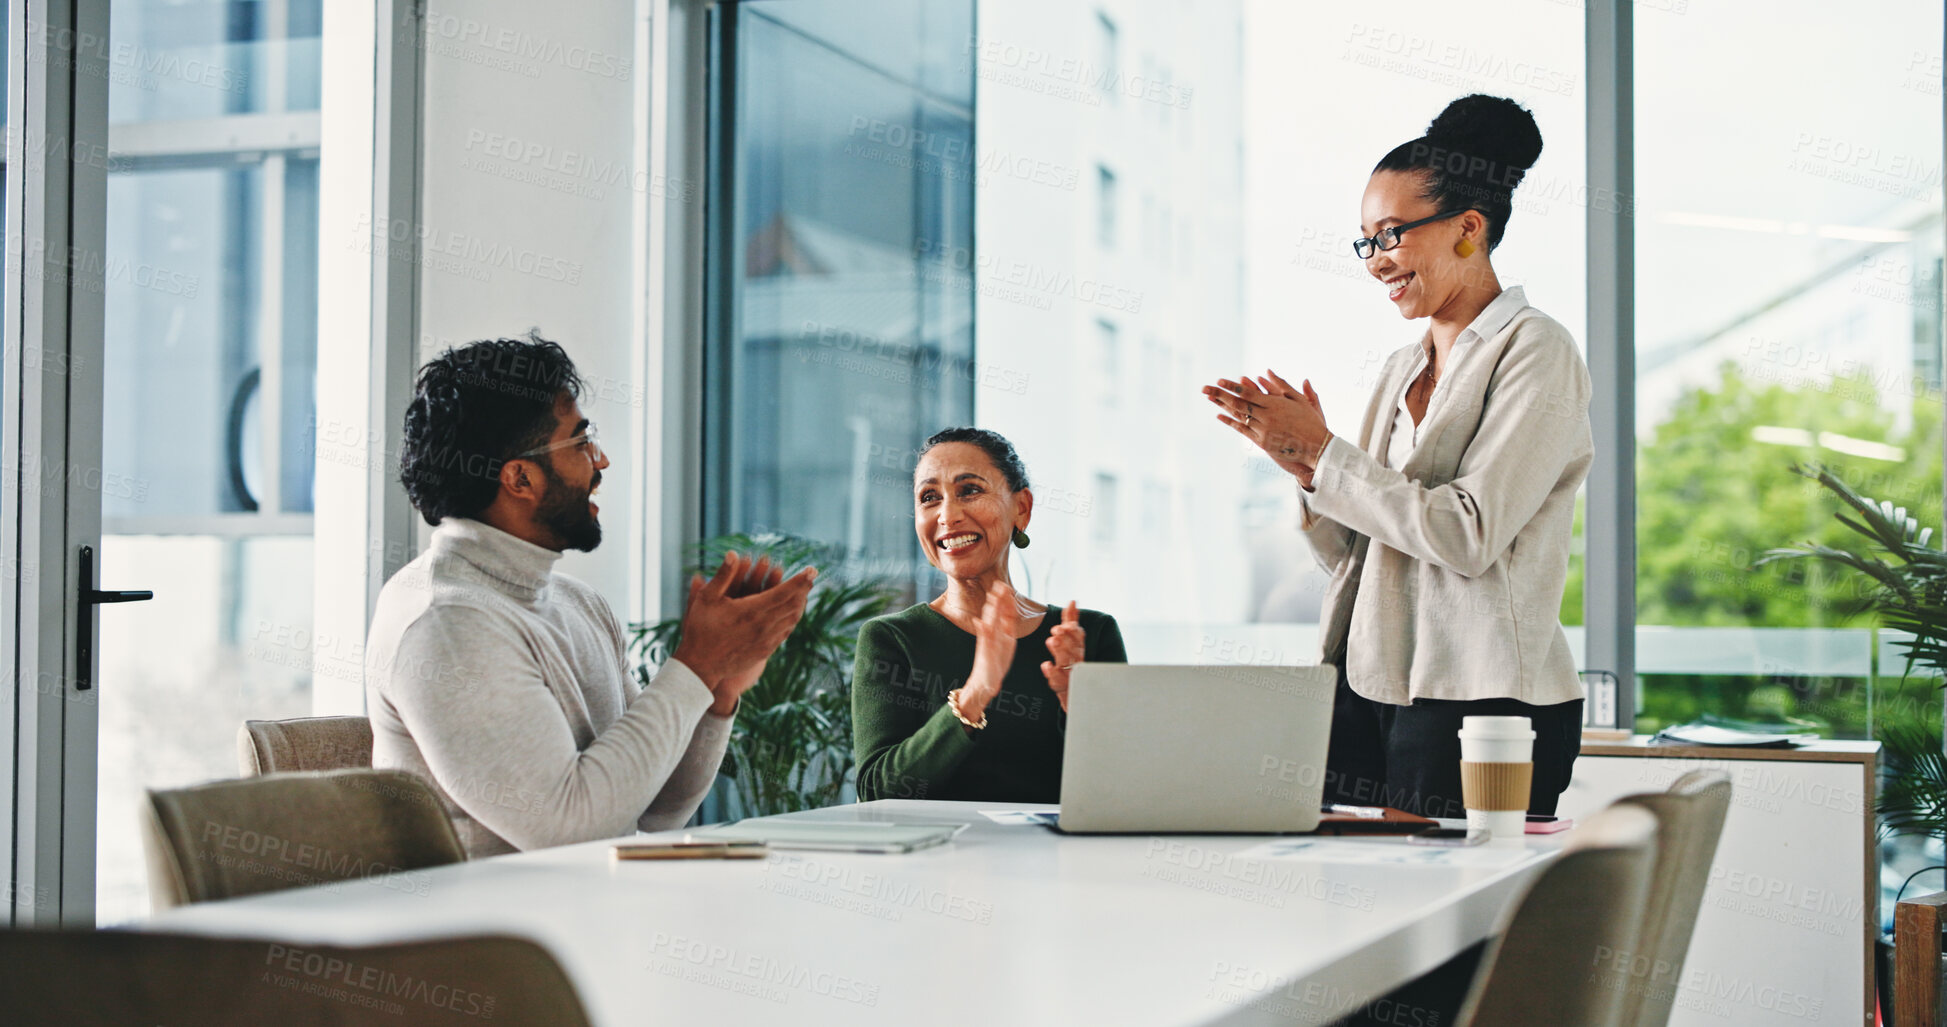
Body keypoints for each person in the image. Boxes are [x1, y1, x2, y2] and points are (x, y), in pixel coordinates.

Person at [1203, 95, 1591, 820]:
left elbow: (1468, 534)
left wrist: (1327, 454)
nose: (1377, 260)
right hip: (1370, 682)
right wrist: (1306, 470)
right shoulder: (1399, 368)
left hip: (1482, 695)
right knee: (1347, 880)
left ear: (1468, 228)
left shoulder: (1536, 350)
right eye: (1366, 242)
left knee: (1460, 894)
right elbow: (1355, 555)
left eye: (1391, 235)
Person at [367, 332, 816, 857]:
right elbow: (569, 830)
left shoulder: (578, 604)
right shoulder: (447, 624)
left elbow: (655, 809)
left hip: (591, 900)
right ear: (520, 479)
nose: (600, 462)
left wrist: (718, 687)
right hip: (495, 913)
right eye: (581, 443)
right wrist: (697, 663)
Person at [852, 428, 1126, 803]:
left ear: (1021, 508)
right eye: (929, 498)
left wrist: (1076, 708)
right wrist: (976, 692)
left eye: (970, 490)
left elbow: (1121, 789)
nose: (948, 515)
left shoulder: (1090, 633)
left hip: (1055, 843)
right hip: (940, 845)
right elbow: (877, 792)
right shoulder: (891, 638)